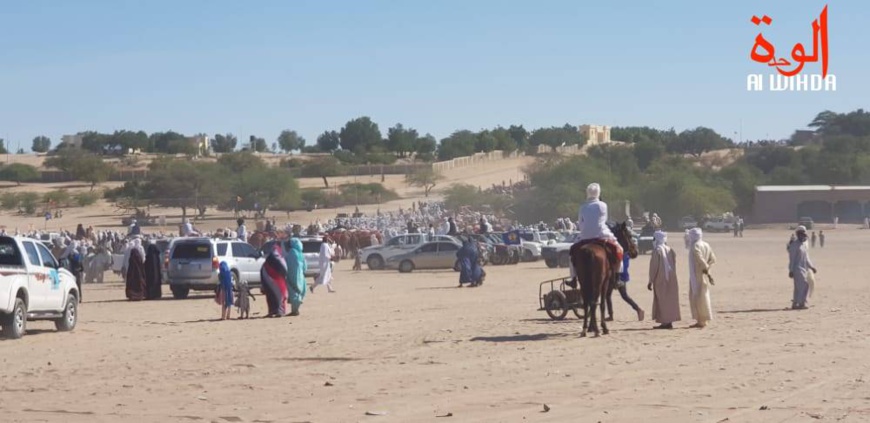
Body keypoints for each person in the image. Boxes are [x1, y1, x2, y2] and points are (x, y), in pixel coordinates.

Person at [575, 183, 623, 269]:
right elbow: (604, 220)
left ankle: (573, 275)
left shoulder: (582, 207)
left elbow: (580, 223)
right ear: (598, 193)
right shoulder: (603, 205)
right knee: (619, 249)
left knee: (572, 253)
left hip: (584, 235)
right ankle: (618, 272)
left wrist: (585, 231)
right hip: (601, 234)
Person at [648, 231, 680, 329]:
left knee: (662, 300)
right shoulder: (670, 249)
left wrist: (650, 280)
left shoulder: (657, 251)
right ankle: (668, 321)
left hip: (660, 279)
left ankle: (665, 322)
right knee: (669, 300)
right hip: (672, 278)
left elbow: (654, 267)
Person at [687, 228, 716, 329]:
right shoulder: (706, 244)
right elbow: (713, 259)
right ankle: (703, 319)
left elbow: (700, 259)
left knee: (698, 296)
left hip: (697, 274)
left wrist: (706, 269)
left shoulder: (695, 246)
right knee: (704, 295)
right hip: (703, 274)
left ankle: (701, 320)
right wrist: (708, 270)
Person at [607, 248, 644, 322]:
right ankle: (638, 309)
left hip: (618, 277)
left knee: (608, 295)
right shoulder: (626, 255)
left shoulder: (622, 255)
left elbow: (620, 267)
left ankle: (611, 315)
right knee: (624, 296)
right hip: (622, 277)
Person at [789, 227, 817, 310]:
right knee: (805, 285)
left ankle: (795, 303)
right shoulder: (794, 245)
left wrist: (812, 267)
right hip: (796, 268)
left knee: (798, 287)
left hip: (804, 268)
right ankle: (802, 303)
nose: (803, 236)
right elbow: (792, 259)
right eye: (801, 234)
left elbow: (806, 258)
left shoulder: (803, 245)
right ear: (798, 234)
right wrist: (791, 270)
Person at [260, 244, 288, 317]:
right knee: (279, 295)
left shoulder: (270, 258)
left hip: (268, 279)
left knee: (271, 295)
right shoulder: (279, 258)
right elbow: (285, 269)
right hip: (277, 280)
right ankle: (279, 311)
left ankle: (273, 311)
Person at [285, 238, 307, 316]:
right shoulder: (300, 253)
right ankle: (295, 309)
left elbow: (290, 264)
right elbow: (305, 267)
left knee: (293, 291)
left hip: (293, 274)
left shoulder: (292, 252)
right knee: (299, 291)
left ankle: (295, 311)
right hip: (301, 275)